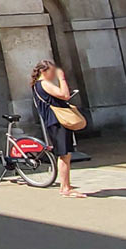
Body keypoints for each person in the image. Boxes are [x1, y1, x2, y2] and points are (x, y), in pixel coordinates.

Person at [31, 60, 83, 198]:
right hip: (57, 121)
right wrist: (62, 78)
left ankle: (66, 184)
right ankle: (65, 188)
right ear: (43, 71)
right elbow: (64, 95)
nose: (54, 74)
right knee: (64, 154)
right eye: (52, 71)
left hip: (54, 121)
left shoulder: (37, 85)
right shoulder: (44, 84)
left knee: (65, 154)